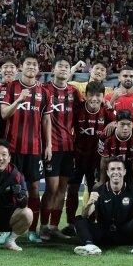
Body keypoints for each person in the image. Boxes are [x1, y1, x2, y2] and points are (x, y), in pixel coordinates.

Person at [0, 53, 50, 242]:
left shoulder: (44, 92)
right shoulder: (10, 87)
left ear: (38, 69)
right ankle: (6, 230)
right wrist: (18, 100)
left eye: (35, 64)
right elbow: (4, 113)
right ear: (21, 67)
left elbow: (46, 120)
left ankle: (32, 231)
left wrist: (49, 145)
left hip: (35, 149)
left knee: (34, 188)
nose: (31, 67)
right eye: (28, 63)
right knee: (10, 188)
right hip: (13, 149)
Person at [73, 156, 133, 256]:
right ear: (108, 172)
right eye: (112, 169)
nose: (116, 172)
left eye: (119, 169)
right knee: (79, 219)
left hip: (126, 233)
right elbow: (85, 215)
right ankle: (90, 246)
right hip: (104, 234)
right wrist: (89, 203)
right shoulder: (99, 191)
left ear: (124, 172)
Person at [40, 58, 82, 240]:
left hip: (68, 147)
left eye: (67, 67)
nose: (64, 69)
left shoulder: (74, 92)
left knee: (62, 189)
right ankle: (43, 227)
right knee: (52, 188)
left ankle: (54, 227)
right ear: (53, 69)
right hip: (52, 147)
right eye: (60, 66)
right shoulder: (45, 89)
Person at [66, 80, 114, 230]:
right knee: (72, 189)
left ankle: (92, 223)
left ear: (103, 97)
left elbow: (120, 124)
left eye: (98, 95)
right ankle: (70, 224)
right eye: (91, 95)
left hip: (97, 160)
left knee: (95, 191)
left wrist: (114, 123)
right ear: (85, 96)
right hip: (77, 157)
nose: (94, 98)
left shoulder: (107, 112)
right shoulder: (77, 109)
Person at [97, 109, 133, 184]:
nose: (125, 128)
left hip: (131, 170)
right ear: (116, 123)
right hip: (112, 170)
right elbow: (104, 161)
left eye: (129, 124)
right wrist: (102, 181)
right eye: (122, 124)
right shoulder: (105, 137)